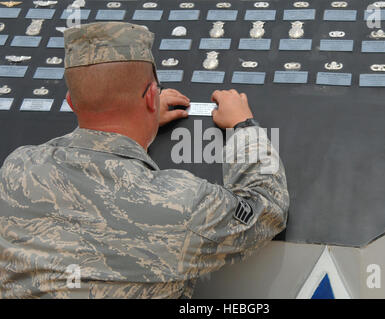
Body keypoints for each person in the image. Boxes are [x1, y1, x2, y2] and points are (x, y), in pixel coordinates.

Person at [0, 22, 289, 298]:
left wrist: (138, 119)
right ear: (153, 96)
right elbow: (267, 207)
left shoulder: (16, 169)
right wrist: (244, 128)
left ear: (71, 102)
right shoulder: (181, 203)